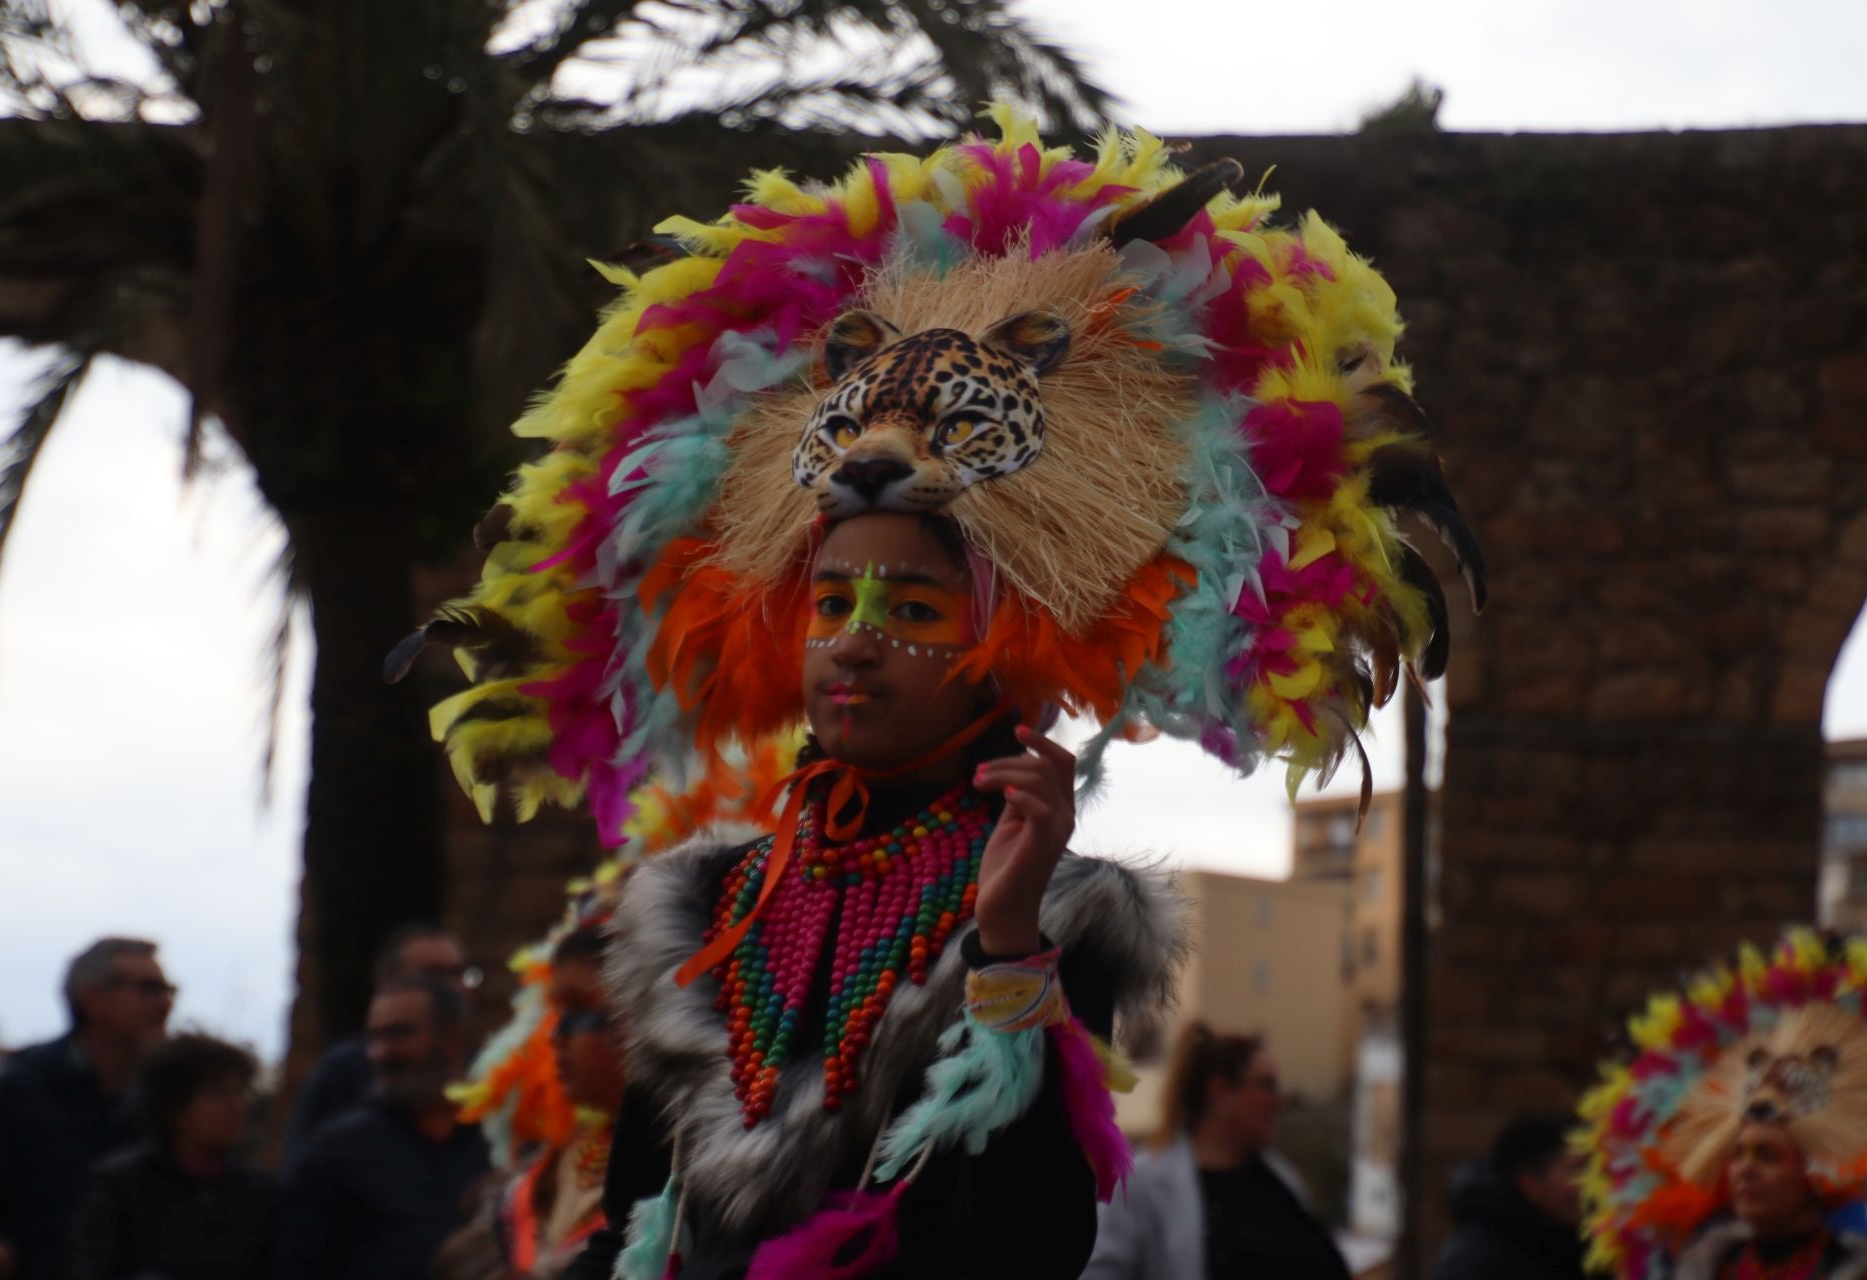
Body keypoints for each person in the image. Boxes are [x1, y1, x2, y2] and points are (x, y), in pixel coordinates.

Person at [394, 111, 1478, 1279]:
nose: (855, 643)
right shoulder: (702, 909)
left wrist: (1010, 951)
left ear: (997, 645)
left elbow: (1020, 1246)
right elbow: (638, 1223)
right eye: (831, 604)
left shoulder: (1059, 916)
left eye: (911, 611)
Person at [1579, 928, 1867, 1279]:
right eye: (1737, 1154)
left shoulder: (1850, 1266)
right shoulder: (1707, 1266)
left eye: (1767, 1155)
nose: (1745, 1171)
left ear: (1816, 1176)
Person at [0, 938, 172, 1280]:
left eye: (167, 989)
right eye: (149, 989)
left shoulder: (170, 1095)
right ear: (93, 998)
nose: (164, 1003)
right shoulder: (21, 1090)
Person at [435, 917, 628, 1280]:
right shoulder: (548, 1170)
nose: (555, 1035)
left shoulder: (684, 1170)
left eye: (581, 1009)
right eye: (558, 1012)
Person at [1083, 1024, 1350, 1280]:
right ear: (1220, 1093)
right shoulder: (1143, 1186)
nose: (1279, 1102)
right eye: (1266, 1085)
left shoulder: (1281, 1180)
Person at [278, 975, 490, 1280]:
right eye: (374, 1038)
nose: (381, 1053)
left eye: (399, 1034)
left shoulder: (497, 1143)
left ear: (452, 1038)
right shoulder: (336, 1152)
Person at [69, 1033, 276, 1280]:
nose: (236, 1105)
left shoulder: (260, 1193)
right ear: (172, 1106)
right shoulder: (119, 1188)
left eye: (240, 1091)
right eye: (217, 1092)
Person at [281, 924, 475, 1167]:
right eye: (435, 974)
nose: (454, 986)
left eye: (460, 974)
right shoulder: (346, 1072)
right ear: (389, 982)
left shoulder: (487, 1072)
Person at [1432, 1114, 1588, 1280]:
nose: (1588, 1184)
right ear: (1530, 1183)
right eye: (1576, 1170)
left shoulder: (1572, 1243)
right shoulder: (1475, 1261)